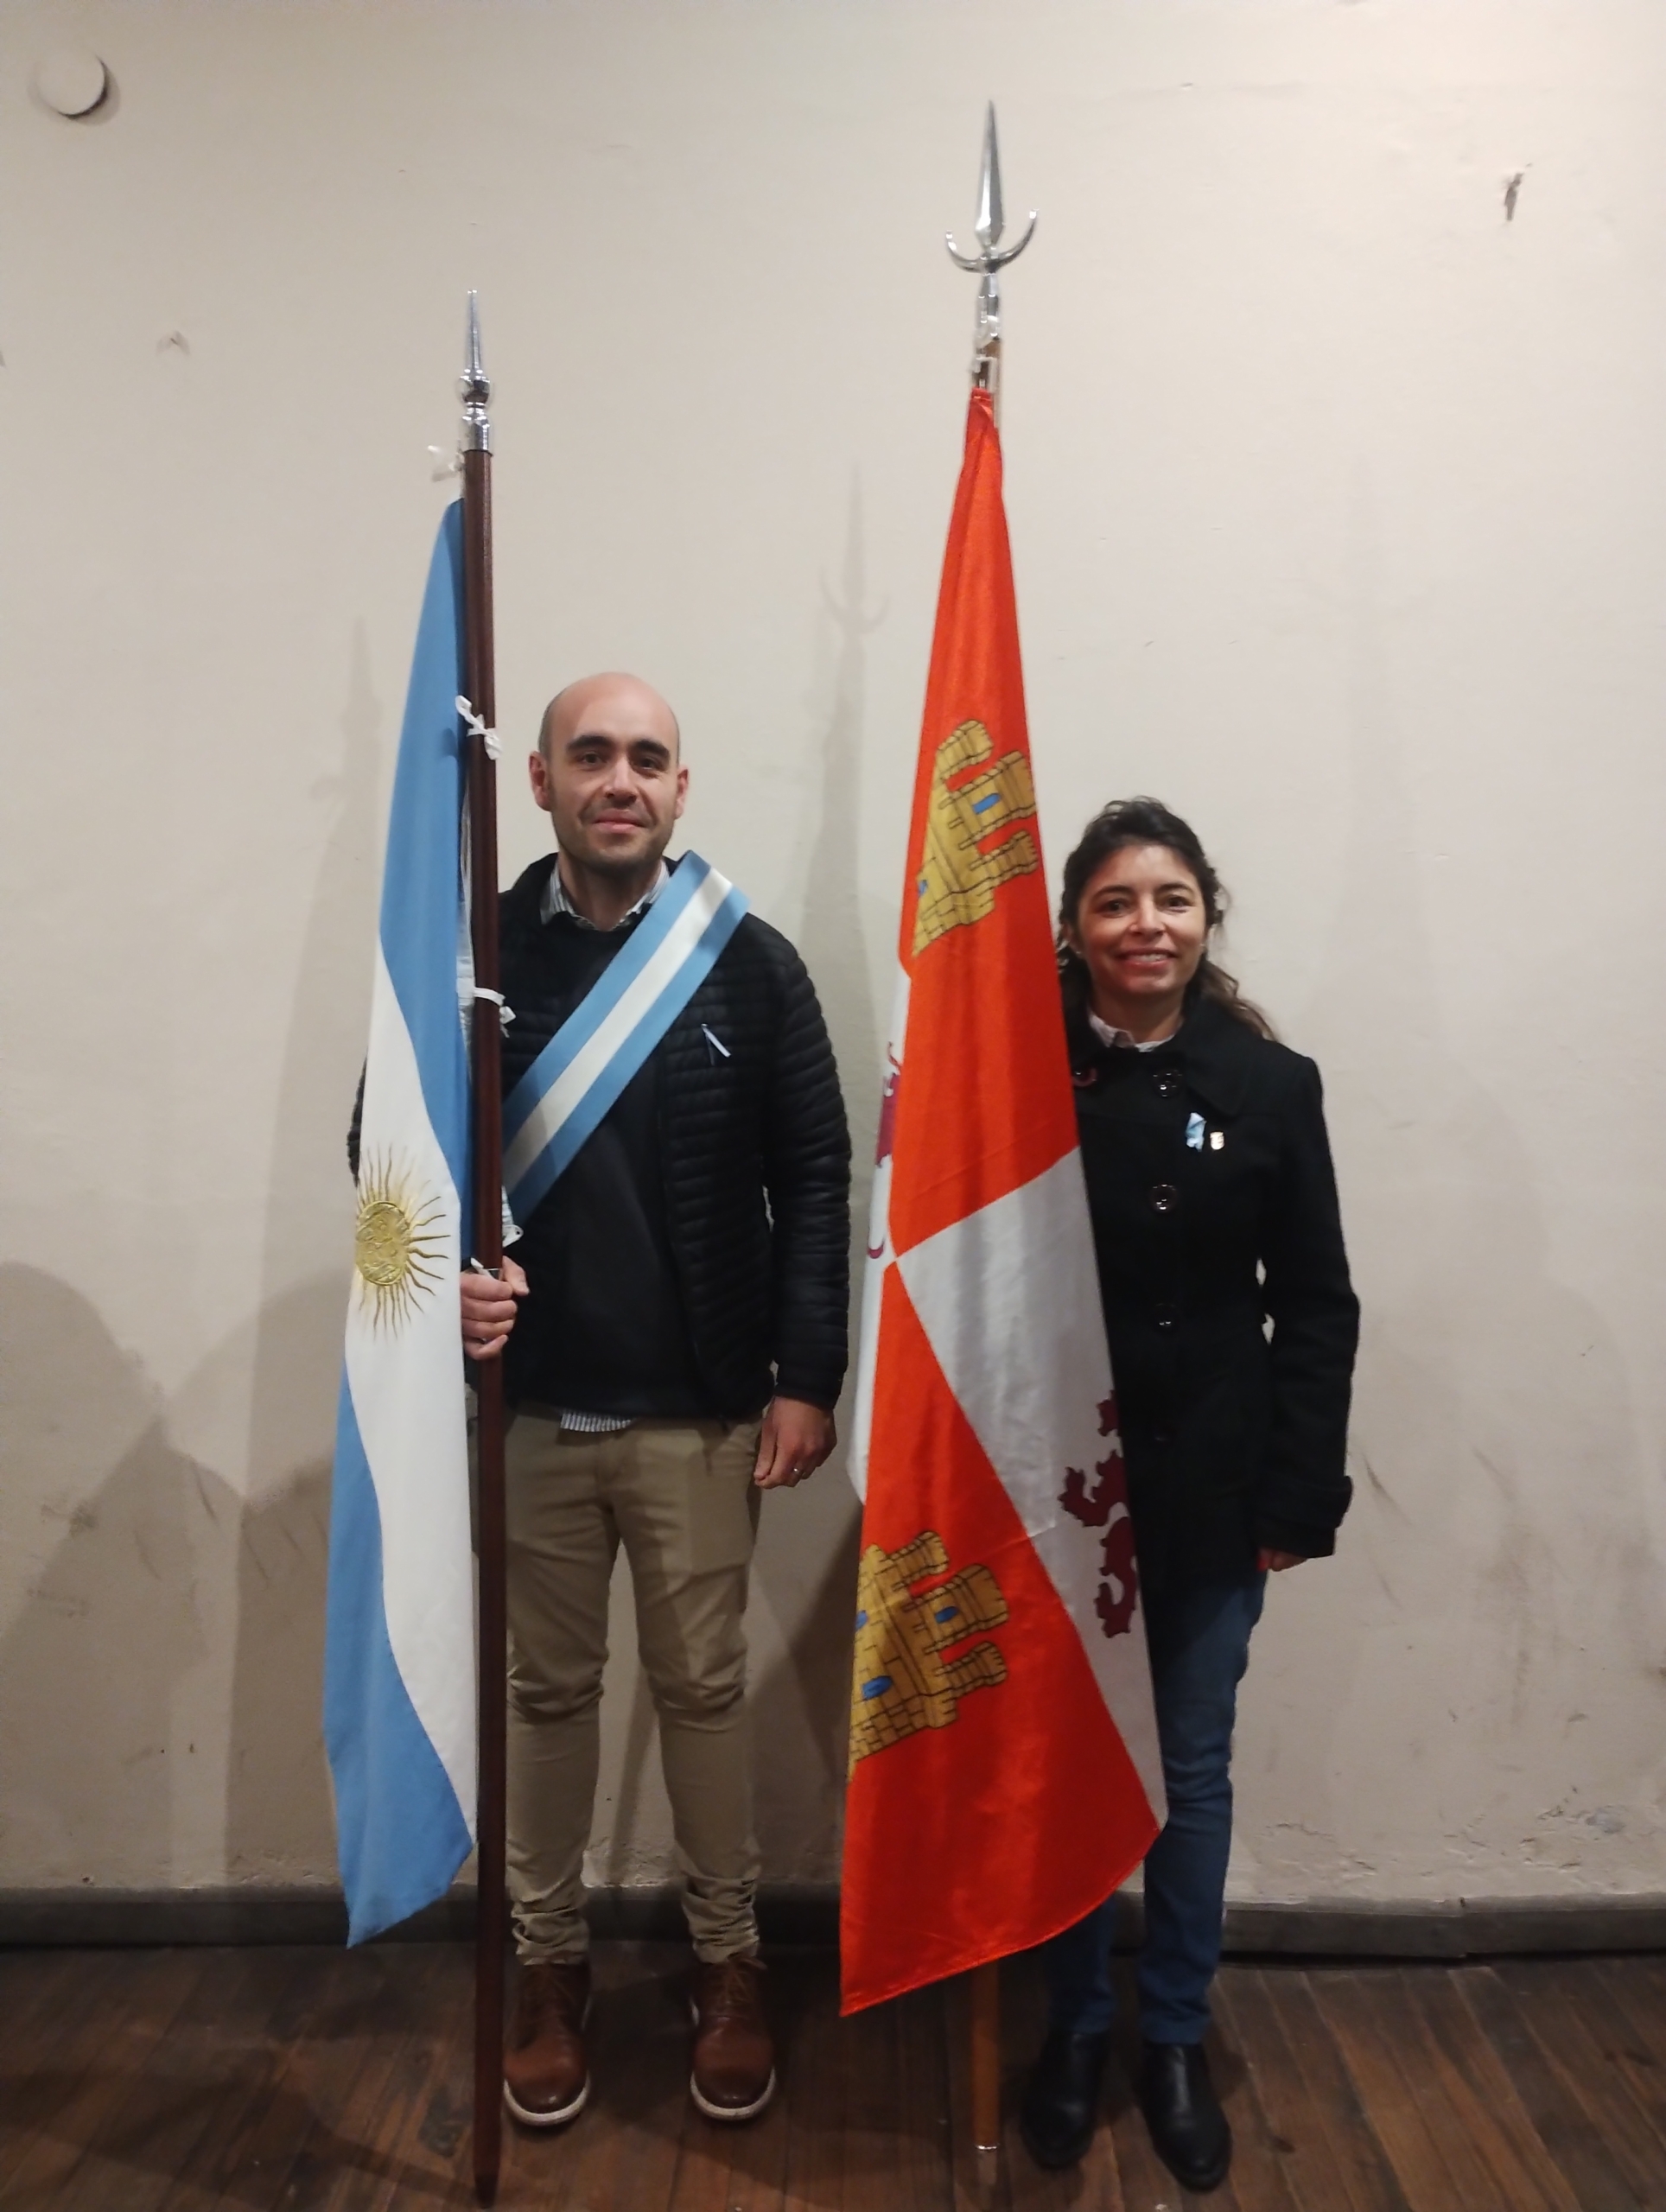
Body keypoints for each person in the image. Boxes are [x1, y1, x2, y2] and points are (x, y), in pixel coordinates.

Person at [459, 673, 850, 2130]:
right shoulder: (474, 960)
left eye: (646, 758)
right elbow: (389, 1148)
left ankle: (727, 1963)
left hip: (700, 1416)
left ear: (681, 789)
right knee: (547, 1698)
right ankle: (548, 1966)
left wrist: (806, 1376)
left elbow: (816, 1178)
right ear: (542, 783)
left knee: (701, 1696)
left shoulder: (750, 964)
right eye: (590, 755)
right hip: (533, 1417)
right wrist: (448, 1281)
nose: (618, 779)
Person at [1019, 798, 1358, 2192]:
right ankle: (1072, 2024)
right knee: (1063, 1769)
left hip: (1215, 1486)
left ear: (1206, 915)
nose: (1144, 925)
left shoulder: (1272, 1084)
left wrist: (1296, 1496)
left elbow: (1317, 1305)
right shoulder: (1016, 1072)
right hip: (1058, 1487)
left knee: (1192, 1771)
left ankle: (1170, 2034)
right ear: (1074, 926)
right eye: (1114, 902)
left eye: (1170, 899)